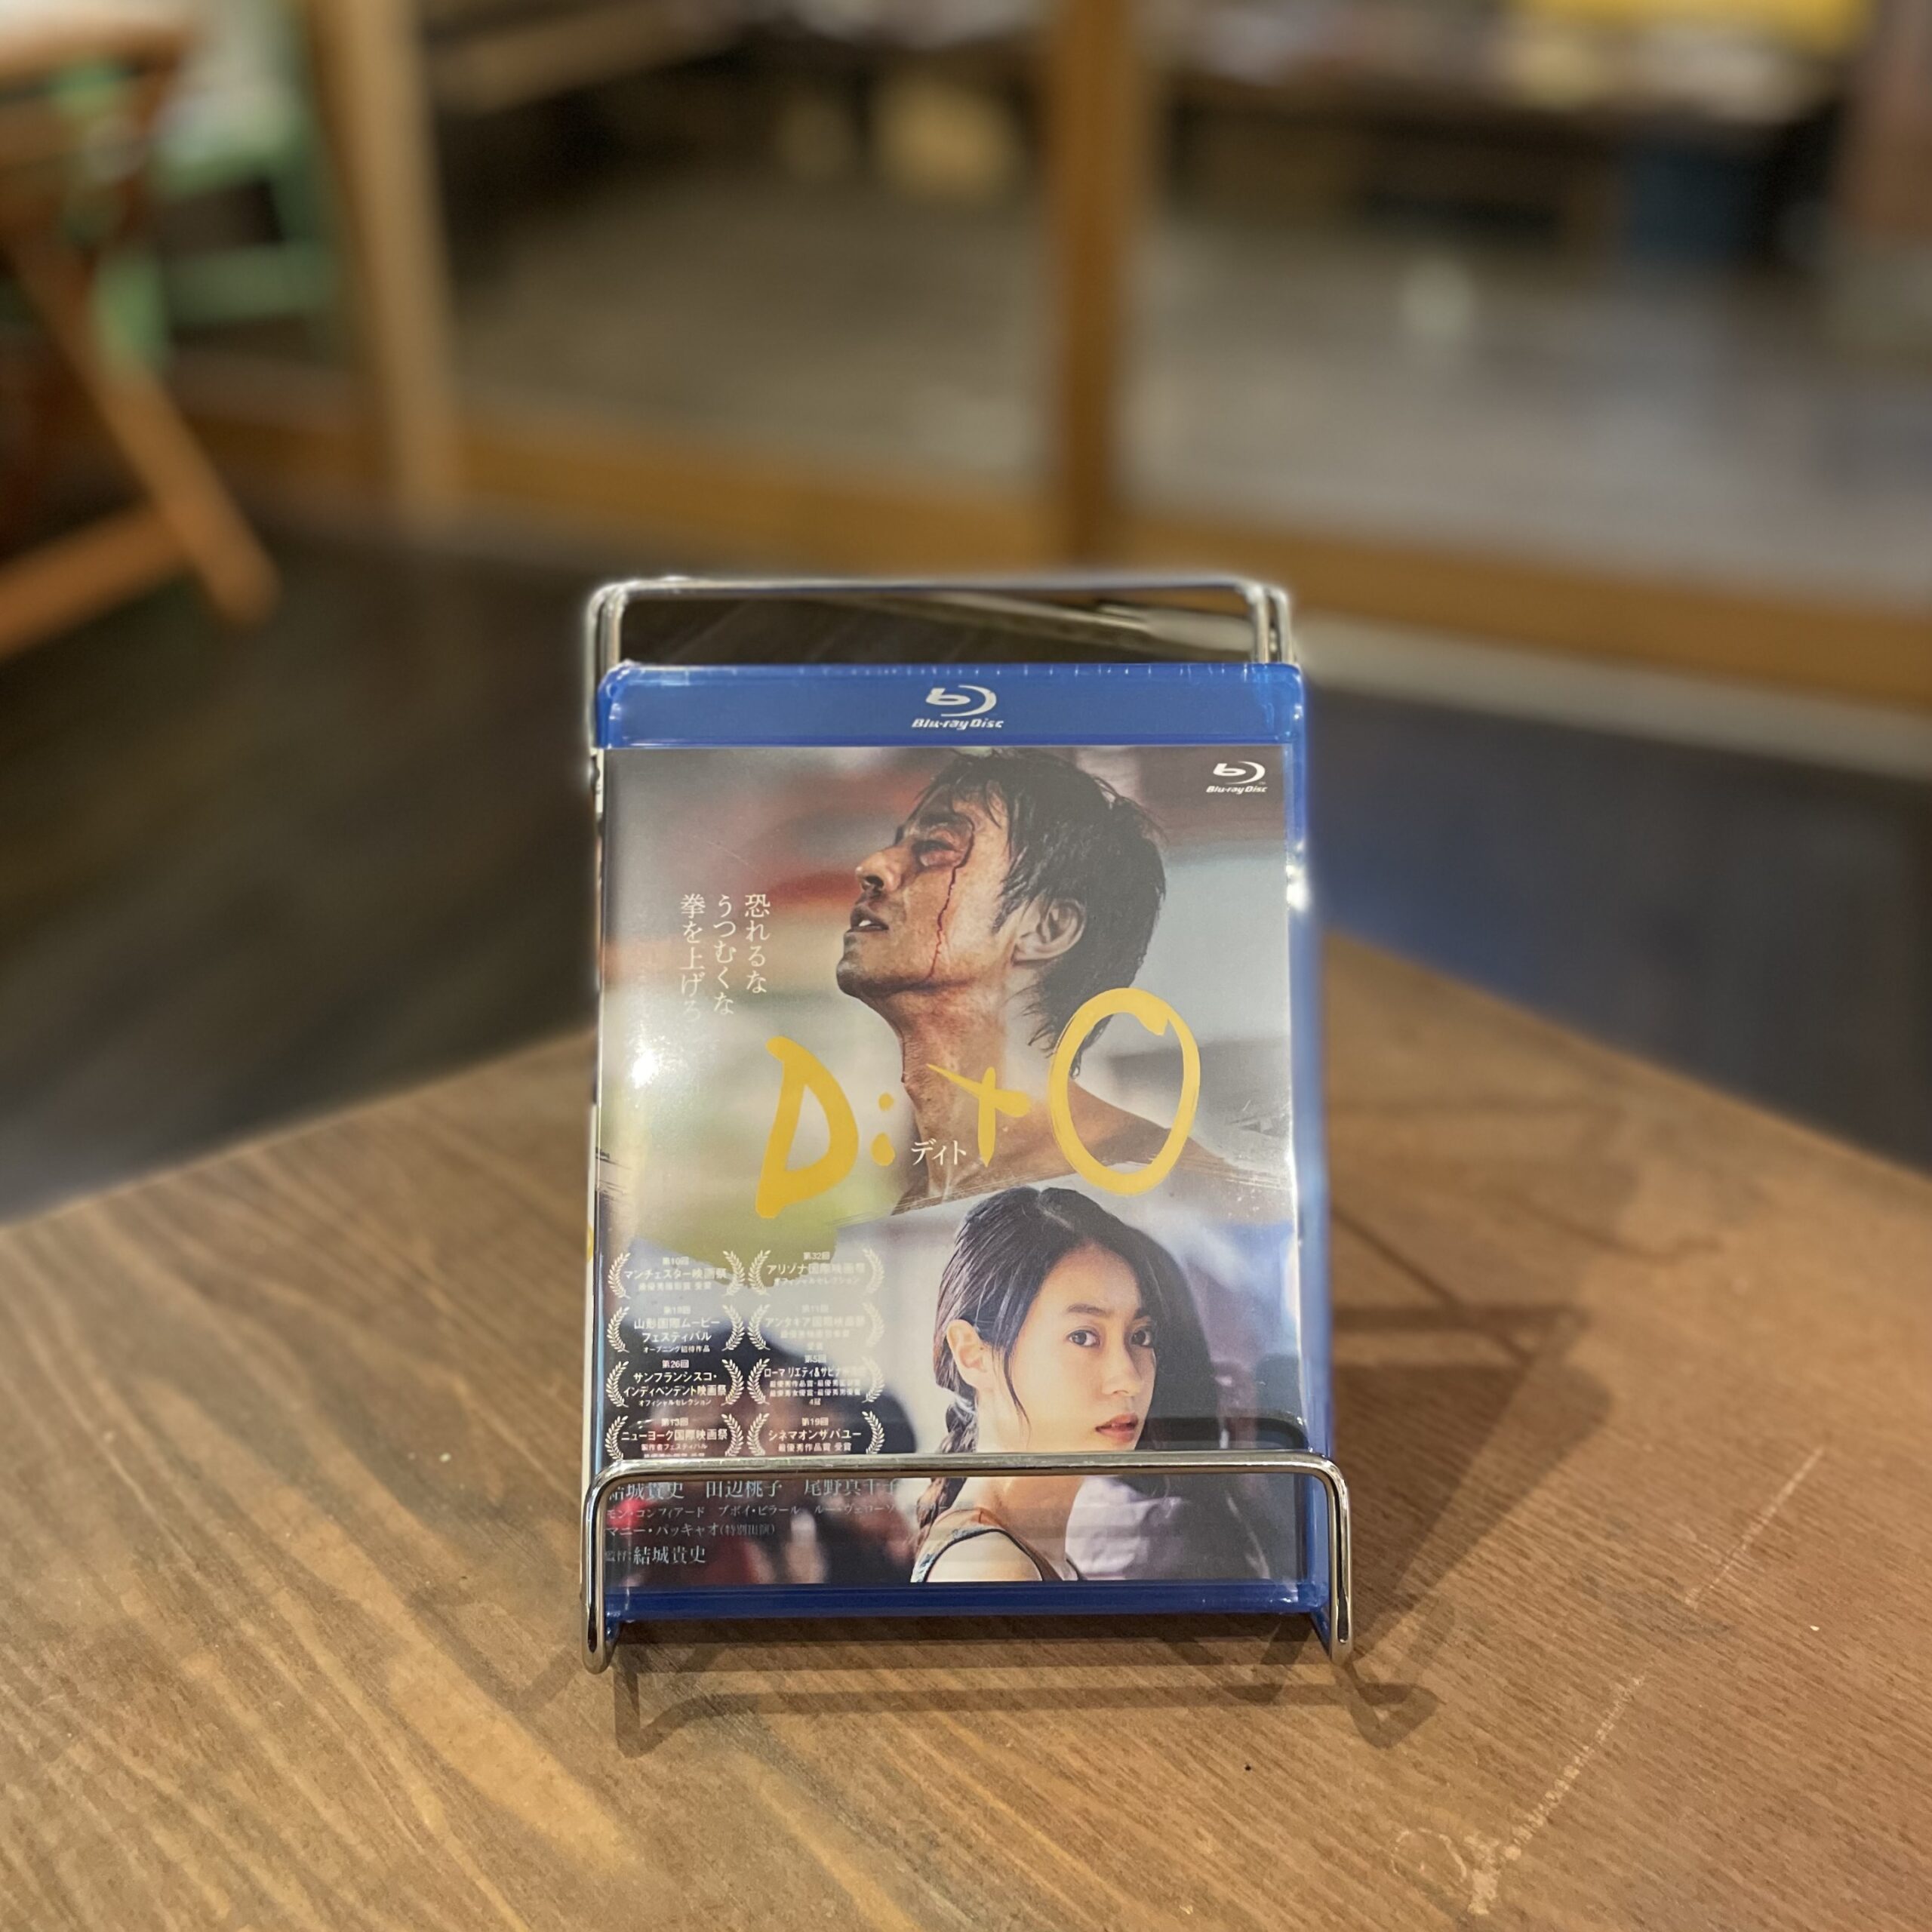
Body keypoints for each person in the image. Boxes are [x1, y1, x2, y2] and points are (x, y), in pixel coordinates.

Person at [836, 749, 1200, 1209]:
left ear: (1046, 928)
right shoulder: (935, 1177)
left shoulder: (1161, 1182)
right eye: (899, 844)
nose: (872, 866)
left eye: (936, 848)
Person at [910, 1186, 1254, 1584]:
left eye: (1141, 1336)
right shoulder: (993, 1567)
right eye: (1083, 1337)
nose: (1128, 1377)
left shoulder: (1028, 1550)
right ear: (973, 1355)